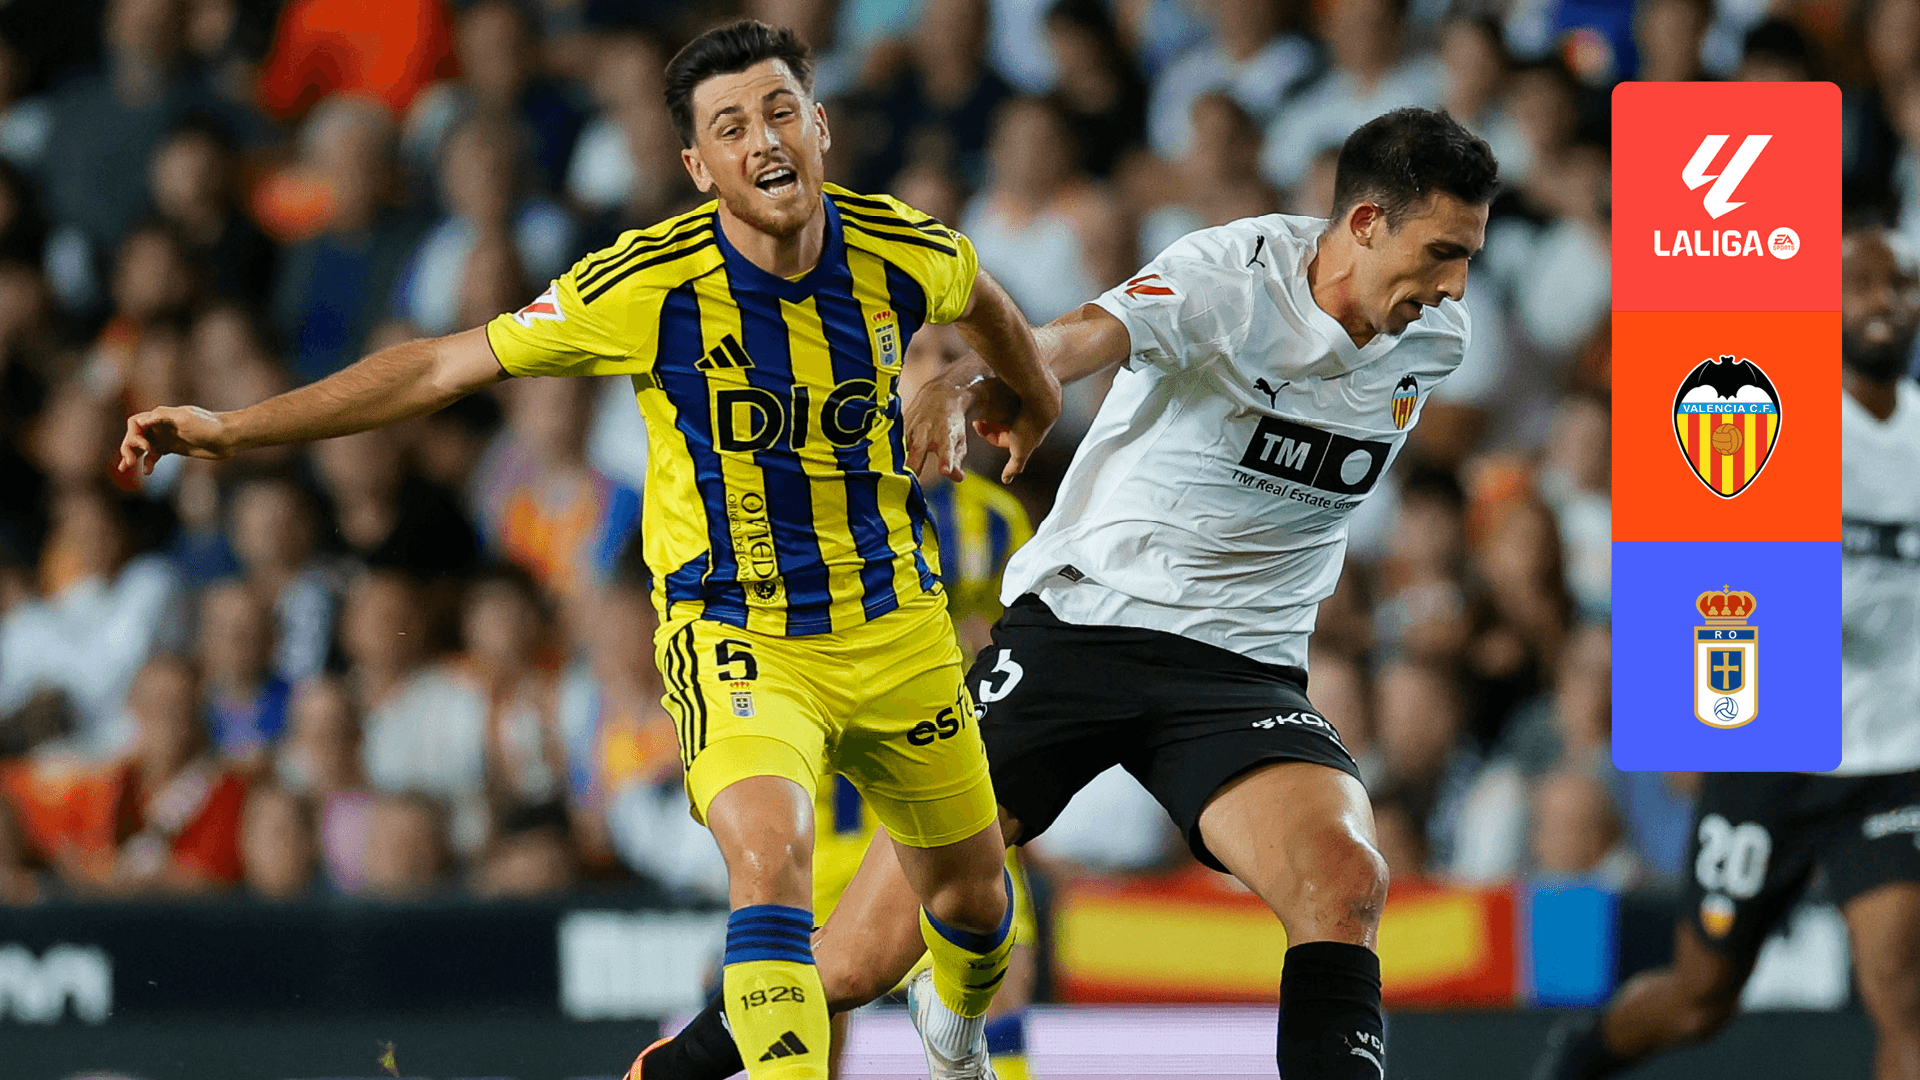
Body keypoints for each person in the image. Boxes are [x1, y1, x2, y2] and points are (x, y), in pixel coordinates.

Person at [118, 20, 1061, 1080]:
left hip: (895, 628)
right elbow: (438, 368)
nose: (763, 139)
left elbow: (987, 305)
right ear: (697, 166)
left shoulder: (902, 249)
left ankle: (958, 1034)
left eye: (780, 111)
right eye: (731, 126)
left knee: (975, 905)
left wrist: (1021, 393)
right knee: (768, 861)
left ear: (821, 125)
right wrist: (236, 428)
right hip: (740, 633)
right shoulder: (649, 283)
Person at [640, 106, 1498, 1080]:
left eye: (1468, 258)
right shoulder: (1231, 278)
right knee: (855, 961)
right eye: (1441, 253)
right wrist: (971, 383)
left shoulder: (1436, 337)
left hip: (1241, 668)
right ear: (1367, 223)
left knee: (1345, 881)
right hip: (1081, 630)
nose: (1453, 287)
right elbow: (1081, 336)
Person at [1531, 224, 1920, 1080]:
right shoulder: (1770, 421)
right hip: (1771, 748)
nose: (1885, 302)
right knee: (1700, 1000)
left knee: (1903, 989)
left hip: (1893, 760)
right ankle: (1577, 1061)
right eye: (1862, 285)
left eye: (1901, 285)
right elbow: (1687, 566)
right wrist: (1687, 709)